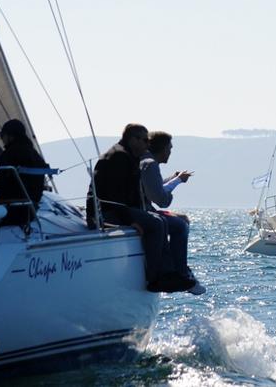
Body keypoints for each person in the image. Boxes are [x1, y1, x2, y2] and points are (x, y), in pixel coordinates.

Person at [85, 124, 179, 293]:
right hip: (106, 213)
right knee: (156, 225)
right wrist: (131, 221)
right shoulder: (119, 157)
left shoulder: (129, 155)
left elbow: (131, 194)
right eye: (144, 140)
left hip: (116, 210)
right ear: (133, 139)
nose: (147, 144)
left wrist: (144, 214)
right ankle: (155, 277)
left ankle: (167, 273)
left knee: (159, 220)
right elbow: (115, 196)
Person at [139, 131, 204, 295]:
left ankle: (180, 269)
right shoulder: (150, 163)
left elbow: (153, 187)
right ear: (162, 148)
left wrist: (172, 178)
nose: (170, 152)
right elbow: (160, 198)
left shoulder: (144, 161)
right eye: (169, 148)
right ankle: (182, 274)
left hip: (143, 208)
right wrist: (178, 180)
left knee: (182, 219)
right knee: (180, 226)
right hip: (142, 210)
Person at [0, 119, 50, 226]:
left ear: (10, 136)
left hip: (10, 211)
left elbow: (3, 186)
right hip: (31, 211)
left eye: (2, 136)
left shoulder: (9, 154)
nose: (2, 139)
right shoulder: (35, 154)